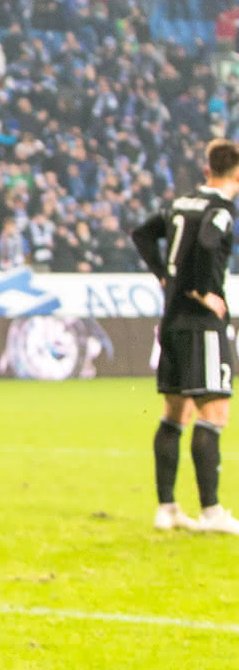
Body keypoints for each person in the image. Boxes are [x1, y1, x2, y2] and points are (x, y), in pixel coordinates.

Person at [131, 139, 239, 535]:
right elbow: (210, 242)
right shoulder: (221, 208)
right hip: (200, 323)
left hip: (172, 321)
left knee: (174, 416)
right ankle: (211, 512)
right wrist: (204, 290)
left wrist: (165, 275)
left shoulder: (181, 203)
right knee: (214, 416)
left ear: (207, 168)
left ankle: (168, 508)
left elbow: (142, 233)